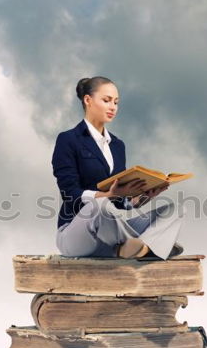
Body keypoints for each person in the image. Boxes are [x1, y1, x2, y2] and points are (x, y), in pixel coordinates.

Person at [52, 76, 185, 259]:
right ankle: (151, 246)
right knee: (100, 205)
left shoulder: (117, 145)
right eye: (106, 100)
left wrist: (142, 197)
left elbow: (121, 204)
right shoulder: (68, 140)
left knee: (174, 209)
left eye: (116, 102)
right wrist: (108, 195)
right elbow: (70, 194)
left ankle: (135, 248)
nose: (113, 107)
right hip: (76, 234)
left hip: (111, 233)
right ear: (88, 100)